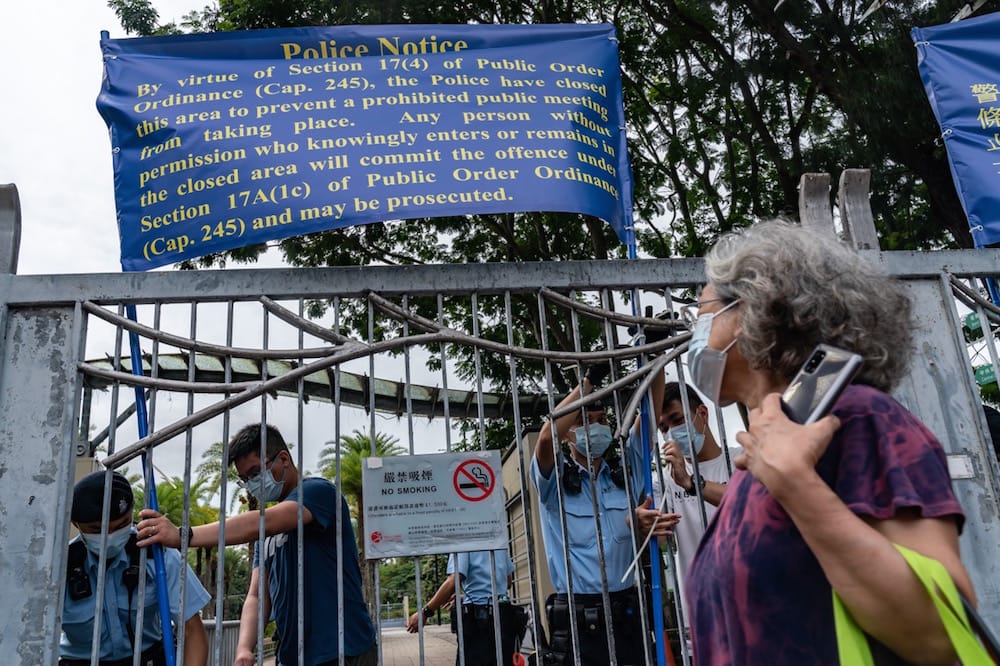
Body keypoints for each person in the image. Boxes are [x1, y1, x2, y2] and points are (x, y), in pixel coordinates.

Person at [683, 220, 976, 665]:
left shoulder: (856, 418)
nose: (696, 331)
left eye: (703, 311)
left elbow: (939, 633)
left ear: (750, 310)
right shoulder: (759, 457)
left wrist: (799, 487)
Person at [136, 423, 377, 666]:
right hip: (294, 656)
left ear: (283, 459)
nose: (251, 484)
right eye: (245, 479)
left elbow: (262, 522)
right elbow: (256, 595)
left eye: (254, 473)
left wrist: (182, 535)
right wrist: (243, 648)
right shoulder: (268, 537)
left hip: (345, 650)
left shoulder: (318, 492)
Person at [532, 363, 678, 666]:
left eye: (602, 420)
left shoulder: (624, 474)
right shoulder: (554, 484)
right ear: (570, 431)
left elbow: (648, 415)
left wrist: (655, 360)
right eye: (587, 420)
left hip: (626, 610)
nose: (597, 427)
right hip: (578, 617)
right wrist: (587, 384)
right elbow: (546, 438)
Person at [60, 470, 209, 666]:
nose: (111, 536)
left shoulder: (157, 554)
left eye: (122, 525)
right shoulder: (61, 567)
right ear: (75, 524)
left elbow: (192, 631)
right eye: (98, 530)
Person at [637, 381, 742, 651]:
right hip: (701, 617)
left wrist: (693, 482)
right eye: (663, 428)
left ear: (703, 414)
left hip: (750, 608)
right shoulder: (664, 481)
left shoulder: (741, 460)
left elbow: (745, 501)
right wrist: (641, 524)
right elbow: (657, 540)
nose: (671, 432)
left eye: (677, 420)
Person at [405, 548, 522, 666]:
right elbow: (507, 582)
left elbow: (454, 580)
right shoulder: (497, 542)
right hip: (504, 615)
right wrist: (466, 595)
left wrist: (426, 612)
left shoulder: (463, 541)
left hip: (479, 621)